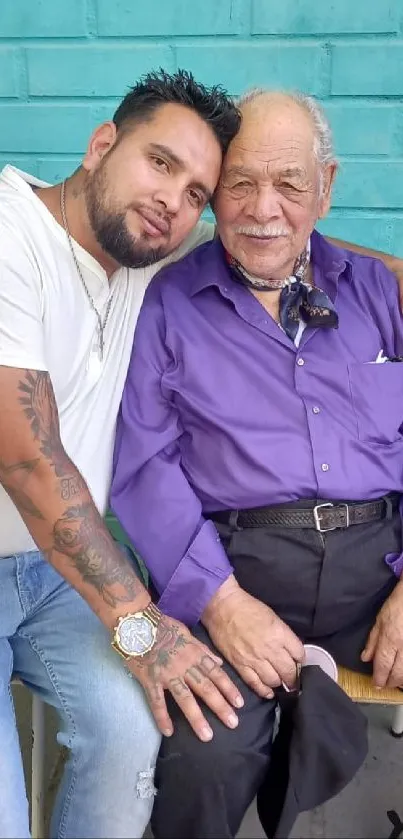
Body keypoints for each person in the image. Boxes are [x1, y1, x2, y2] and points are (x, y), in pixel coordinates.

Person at [111, 89, 403, 839]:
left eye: (289, 183)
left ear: (327, 187)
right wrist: (221, 603)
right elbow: (142, 467)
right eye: (239, 183)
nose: (261, 209)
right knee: (207, 750)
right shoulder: (167, 303)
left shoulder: (378, 291)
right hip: (231, 570)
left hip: (380, 571)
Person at [0, 69, 246, 839]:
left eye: (196, 191)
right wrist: (143, 630)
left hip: (53, 578)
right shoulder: (13, 237)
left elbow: (270, 238)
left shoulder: (141, 262)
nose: (173, 200)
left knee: (134, 733)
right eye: (159, 162)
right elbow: (30, 466)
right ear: (102, 144)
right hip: (66, 559)